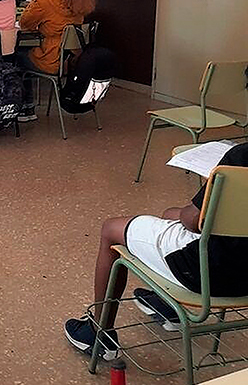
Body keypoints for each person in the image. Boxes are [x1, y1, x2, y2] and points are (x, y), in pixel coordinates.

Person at [64, 143, 248, 362]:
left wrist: (191, 205)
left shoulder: (241, 156)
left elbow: (194, 220)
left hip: (204, 273)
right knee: (168, 215)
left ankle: (98, 332)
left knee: (111, 230)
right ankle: (167, 303)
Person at [16, 0, 97, 121]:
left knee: (14, 56)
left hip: (50, 60)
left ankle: (26, 107)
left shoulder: (46, 1)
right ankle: (27, 106)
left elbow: (25, 23)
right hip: (72, 61)